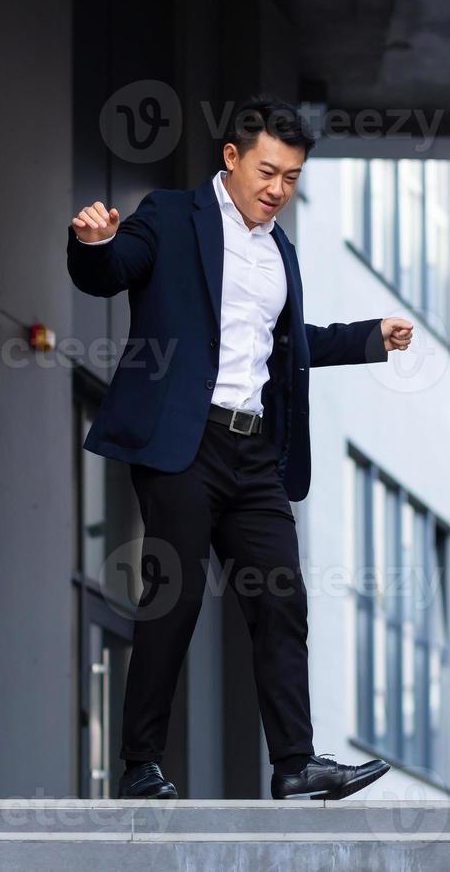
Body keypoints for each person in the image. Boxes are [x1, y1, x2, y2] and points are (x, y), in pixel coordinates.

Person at [66, 96, 414, 800]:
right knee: (177, 595)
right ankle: (139, 765)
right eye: (266, 171)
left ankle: (295, 765)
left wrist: (368, 337)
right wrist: (94, 241)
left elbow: (290, 346)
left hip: (255, 453)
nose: (276, 189)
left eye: (290, 178)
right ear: (231, 158)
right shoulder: (171, 215)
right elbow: (111, 270)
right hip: (184, 443)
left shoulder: (279, 250)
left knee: (281, 597)